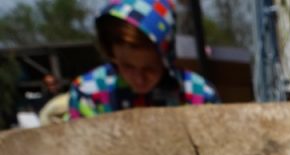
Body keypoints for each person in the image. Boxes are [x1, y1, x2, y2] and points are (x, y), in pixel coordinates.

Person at [68, 0, 219, 119]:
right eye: (127, 66)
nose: (139, 80)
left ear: (165, 58)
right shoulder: (88, 93)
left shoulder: (197, 94)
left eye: (150, 68)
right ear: (111, 51)